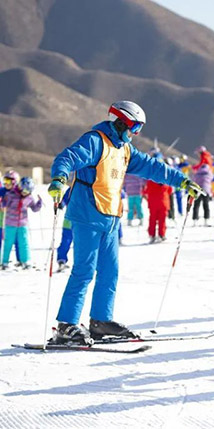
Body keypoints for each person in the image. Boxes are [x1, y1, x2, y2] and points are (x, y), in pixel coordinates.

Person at [47, 100, 203, 344]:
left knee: (110, 272)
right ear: (121, 122)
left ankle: (100, 321)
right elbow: (68, 157)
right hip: (87, 215)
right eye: (135, 127)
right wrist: (59, 178)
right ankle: (67, 325)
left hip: (110, 217)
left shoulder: (124, 149)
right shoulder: (95, 140)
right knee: (84, 271)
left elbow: (153, 167)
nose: (136, 133)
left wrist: (181, 181)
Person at [1, 177, 42, 270]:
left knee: (24, 242)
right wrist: (3, 200)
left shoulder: (29, 198)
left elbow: (34, 208)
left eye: (27, 191)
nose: (25, 192)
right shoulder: (11, 194)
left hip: (23, 224)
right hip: (10, 223)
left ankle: (25, 261)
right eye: (23, 189)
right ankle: (4, 262)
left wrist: (39, 203)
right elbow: (4, 204)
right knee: (8, 242)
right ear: (20, 187)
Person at [143, 170, 173, 243]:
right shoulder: (166, 181)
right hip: (164, 203)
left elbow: (145, 191)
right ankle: (161, 235)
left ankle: (152, 235)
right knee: (162, 220)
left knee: (152, 219)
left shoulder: (150, 181)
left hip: (153, 203)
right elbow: (170, 191)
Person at [56, 187, 74, 271]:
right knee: (66, 241)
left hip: (84, 222)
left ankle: (83, 264)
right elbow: (64, 199)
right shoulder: (71, 189)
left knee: (83, 244)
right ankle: (61, 260)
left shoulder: (90, 187)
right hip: (69, 221)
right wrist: (61, 204)